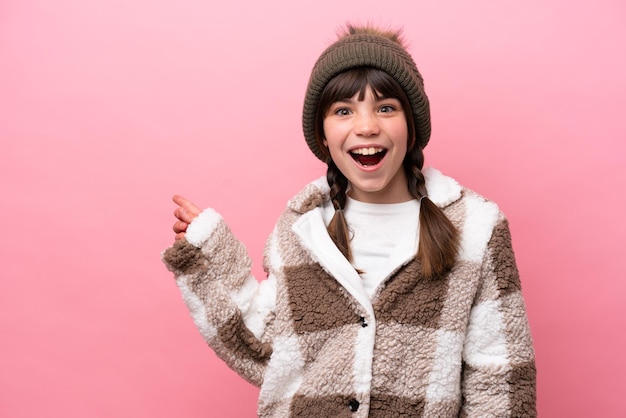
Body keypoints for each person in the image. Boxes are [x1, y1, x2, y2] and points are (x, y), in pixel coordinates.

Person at [162, 24, 536, 417]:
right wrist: (209, 259)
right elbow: (265, 352)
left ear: (412, 128)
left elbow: (501, 380)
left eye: (386, 107)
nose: (366, 126)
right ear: (323, 136)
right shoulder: (301, 229)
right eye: (343, 111)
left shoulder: (475, 227)